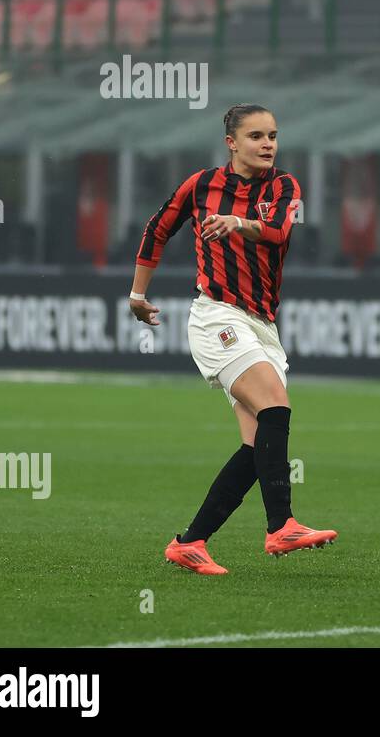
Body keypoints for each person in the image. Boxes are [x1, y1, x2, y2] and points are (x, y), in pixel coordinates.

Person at [129, 104, 337, 576]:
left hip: (262, 323)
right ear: (232, 143)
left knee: (255, 446)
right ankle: (281, 525)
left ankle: (190, 542)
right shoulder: (201, 185)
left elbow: (280, 230)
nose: (268, 144)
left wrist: (238, 222)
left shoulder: (284, 187)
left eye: (273, 136)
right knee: (276, 408)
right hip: (216, 316)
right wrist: (137, 294)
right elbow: (157, 229)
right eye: (256, 136)